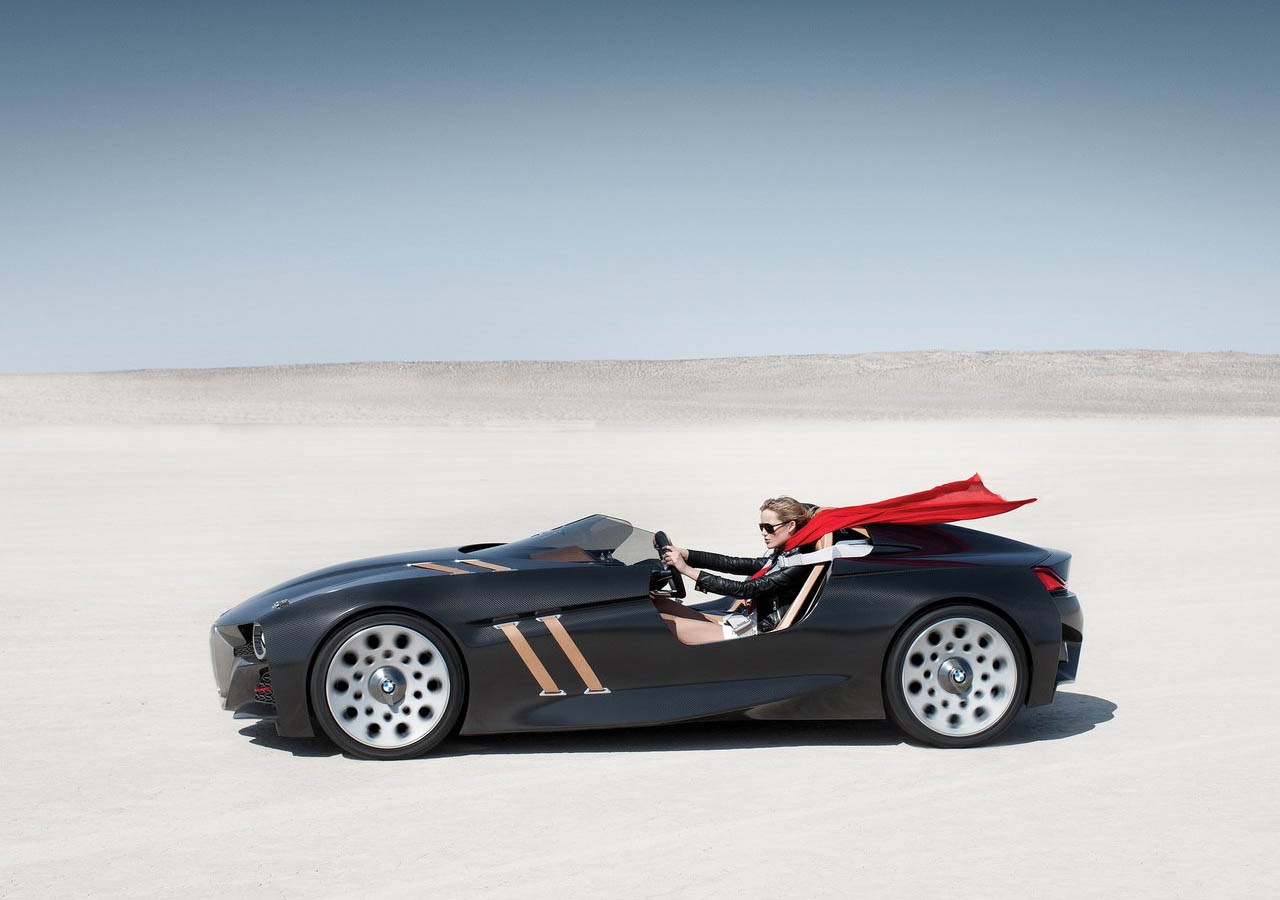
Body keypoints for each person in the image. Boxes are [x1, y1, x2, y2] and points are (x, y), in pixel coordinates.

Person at [653, 497, 816, 644]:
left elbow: (745, 589)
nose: (763, 533)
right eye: (761, 527)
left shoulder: (796, 564)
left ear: (791, 526)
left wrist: (686, 570)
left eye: (769, 527)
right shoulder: (783, 554)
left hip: (757, 632)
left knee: (664, 625)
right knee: (659, 605)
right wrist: (685, 554)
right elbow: (732, 563)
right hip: (747, 618)